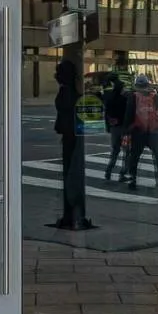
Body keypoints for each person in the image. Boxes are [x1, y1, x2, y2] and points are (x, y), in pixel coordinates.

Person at [53, 59, 91, 230]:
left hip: (71, 135)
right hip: (71, 134)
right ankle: (73, 213)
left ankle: (74, 213)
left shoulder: (67, 92)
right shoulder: (70, 90)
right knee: (71, 171)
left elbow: (65, 109)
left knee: (71, 172)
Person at [123, 73, 158, 192]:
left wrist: (126, 130)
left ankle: (132, 180)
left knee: (134, 157)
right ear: (148, 84)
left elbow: (129, 114)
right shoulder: (156, 96)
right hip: (154, 131)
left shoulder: (133, 96)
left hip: (138, 131)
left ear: (136, 85)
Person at [102, 73, 130, 181]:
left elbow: (107, 113)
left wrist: (108, 126)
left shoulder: (109, 97)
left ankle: (108, 171)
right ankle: (122, 174)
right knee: (127, 152)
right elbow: (128, 113)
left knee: (115, 151)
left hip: (114, 128)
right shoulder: (124, 98)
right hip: (124, 127)